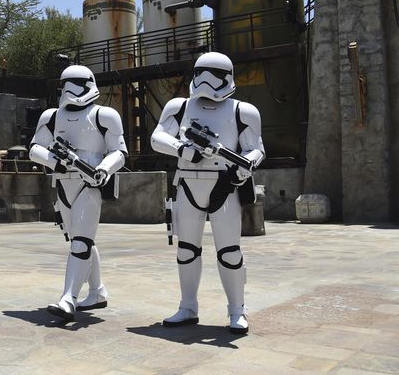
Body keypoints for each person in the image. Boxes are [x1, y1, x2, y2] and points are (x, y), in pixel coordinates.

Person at [150, 52, 265, 334]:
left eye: (212, 75)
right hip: (188, 182)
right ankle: (188, 306)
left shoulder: (243, 111)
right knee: (187, 249)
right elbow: (157, 137)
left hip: (225, 185)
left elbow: (256, 149)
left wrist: (246, 165)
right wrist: (182, 148)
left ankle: (237, 309)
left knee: (229, 250)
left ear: (226, 77)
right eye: (200, 73)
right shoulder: (179, 107)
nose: (205, 82)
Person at [29, 64, 127, 322]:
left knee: (81, 241)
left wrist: (104, 169)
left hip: (89, 184)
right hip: (63, 182)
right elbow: (34, 149)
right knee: (79, 240)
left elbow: (119, 151)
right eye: (66, 83)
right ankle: (97, 291)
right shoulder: (51, 116)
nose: (71, 89)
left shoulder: (104, 115)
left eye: (77, 82)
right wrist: (56, 161)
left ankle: (68, 298)